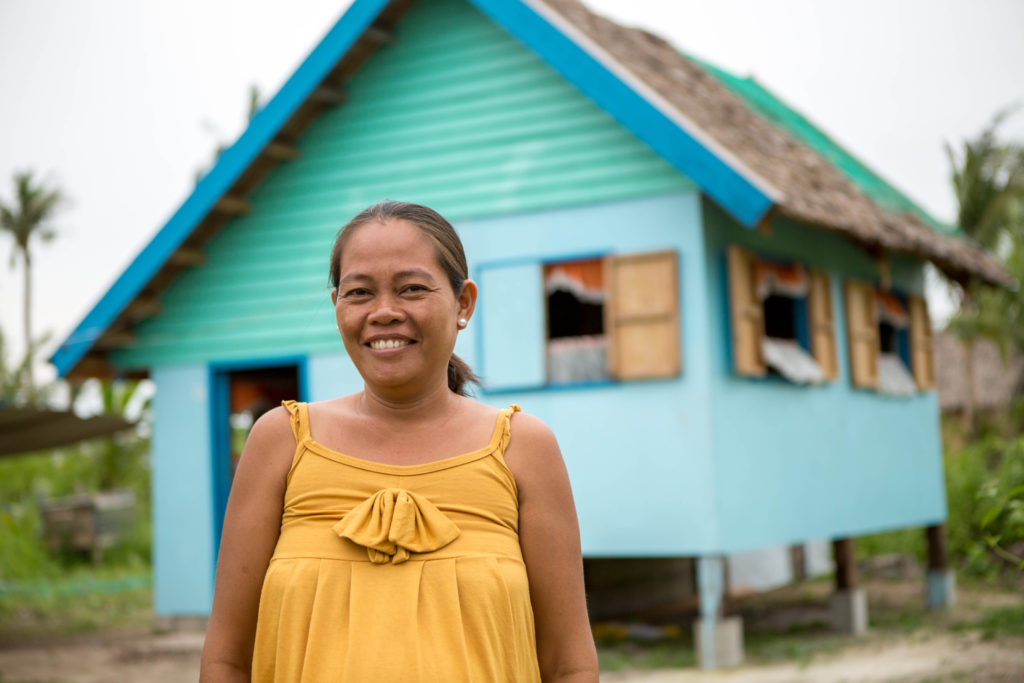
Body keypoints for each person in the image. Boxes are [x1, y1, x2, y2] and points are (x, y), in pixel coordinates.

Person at [199, 201, 598, 682]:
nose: (384, 312)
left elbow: (569, 665)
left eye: (412, 288)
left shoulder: (523, 448)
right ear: (337, 307)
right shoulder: (281, 443)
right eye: (360, 292)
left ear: (463, 303)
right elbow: (225, 661)